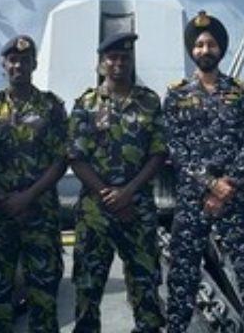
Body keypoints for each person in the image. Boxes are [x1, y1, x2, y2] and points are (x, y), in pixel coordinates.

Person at [163, 12, 244, 333]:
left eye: (210, 44)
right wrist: (210, 185)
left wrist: (229, 185)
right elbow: (175, 147)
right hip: (192, 200)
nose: (204, 49)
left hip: (234, 198)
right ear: (191, 51)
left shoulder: (239, 92)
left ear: (220, 49)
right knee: (182, 276)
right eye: (198, 45)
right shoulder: (177, 94)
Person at [68, 32, 166, 333]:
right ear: (101, 65)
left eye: (124, 57)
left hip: (138, 209)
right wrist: (108, 195)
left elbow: (158, 154)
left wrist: (128, 192)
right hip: (95, 211)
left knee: (145, 285)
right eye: (112, 58)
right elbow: (75, 156)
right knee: (87, 288)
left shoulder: (149, 101)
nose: (118, 63)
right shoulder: (85, 103)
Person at [0, 35, 67, 333]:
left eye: (25, 61)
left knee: (43, 298)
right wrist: (2, 197)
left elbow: (60, 159)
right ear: (3, 64)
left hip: (39, 213)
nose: (19, 65)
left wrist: (27, 196)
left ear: (34, 65)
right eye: (13, 60)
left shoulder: (51, 107)